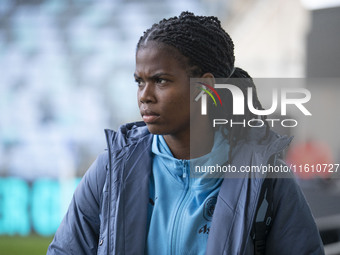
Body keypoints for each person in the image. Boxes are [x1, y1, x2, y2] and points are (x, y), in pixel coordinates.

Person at [47, 12, 324, 255]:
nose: (145, 96)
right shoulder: (111, 169)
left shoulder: (266, 178)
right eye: (139, 82)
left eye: (160, 80)